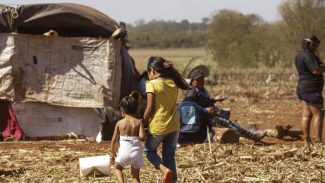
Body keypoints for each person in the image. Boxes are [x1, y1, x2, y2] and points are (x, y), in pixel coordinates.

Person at [178, 70, 263, 145]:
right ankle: (252, 136)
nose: (201, 81)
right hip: (202, 119)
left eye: (202, 79)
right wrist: (204, 110)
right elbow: (186, 108)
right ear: (193, 82)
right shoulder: (192, 93)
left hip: (207, 116)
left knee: (227, 116)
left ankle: (248, 133)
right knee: (227, 123)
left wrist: (215, 100)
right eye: (198, 80)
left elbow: (205, 101)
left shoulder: (202, 90)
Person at [143, 56, 190, 183]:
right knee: (169, 158)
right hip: (174, 126)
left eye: (148, 72)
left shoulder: (151, 84)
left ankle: (164, 171)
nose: (148, 75)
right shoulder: (173, 82)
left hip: (159, 126)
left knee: (148, 150)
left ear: (152, 71)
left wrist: (142, 124)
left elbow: (150, 107)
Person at [295, 34, 325, 147]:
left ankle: (307, 142)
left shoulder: (299, 54)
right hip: (312, 89)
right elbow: (316, 70)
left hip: (302, 88)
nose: (316, 48)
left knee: (306, 115)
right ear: (311, 44)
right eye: (315, 46)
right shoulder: (308, 55)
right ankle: (319, 142)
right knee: (319, 115)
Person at [111, 91, 146, 183]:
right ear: (137, 109)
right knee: (135, 177)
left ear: (122, 111)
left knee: (117, 168)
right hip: (136, 153)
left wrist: (113, 153)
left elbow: (114, 140)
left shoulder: (119, 123)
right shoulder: (139, 122)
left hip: (123, 152)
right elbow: (142, 137)